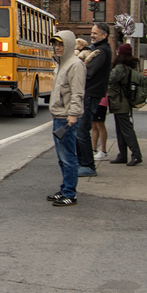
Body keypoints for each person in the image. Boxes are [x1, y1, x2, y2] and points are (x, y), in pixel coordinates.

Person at [47, 30, 86, 207]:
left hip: (66, 117)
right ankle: (65, 189)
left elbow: (77, 92)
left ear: (69, 45)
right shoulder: (62, 63)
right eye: (55, 44)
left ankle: (70, 193)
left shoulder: (75, 65)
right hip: (59, 116)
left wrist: (73, 114)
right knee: (62, 156)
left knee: (68, 157)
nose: (57, 47)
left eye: (61, 44)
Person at [76, 22, 112, 176]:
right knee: (81, 129)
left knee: (82, 130)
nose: (92, 35)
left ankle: (87, 165)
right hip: (92, 93)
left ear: (104, 35)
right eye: (92, 32)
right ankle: (83, 163)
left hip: (91, 93)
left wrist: (79, 67)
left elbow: (88, 72)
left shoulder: (101, 51)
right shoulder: (99, 50)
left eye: (95, 33)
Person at [107, 43, 143, 166]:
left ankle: (136, 155)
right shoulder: (128, 67)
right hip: (123, 101)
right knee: (121, 130)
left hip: (120, 102)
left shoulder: (119, 68)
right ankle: (122, 155)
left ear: (120, 53)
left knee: (126, 130)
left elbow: (110, 79)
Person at [92, 95, 109, 160]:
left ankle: (103, 151)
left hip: (101, 101)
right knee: (93, 125)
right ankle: (94, 149)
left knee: (100, 124)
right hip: (93, 100)